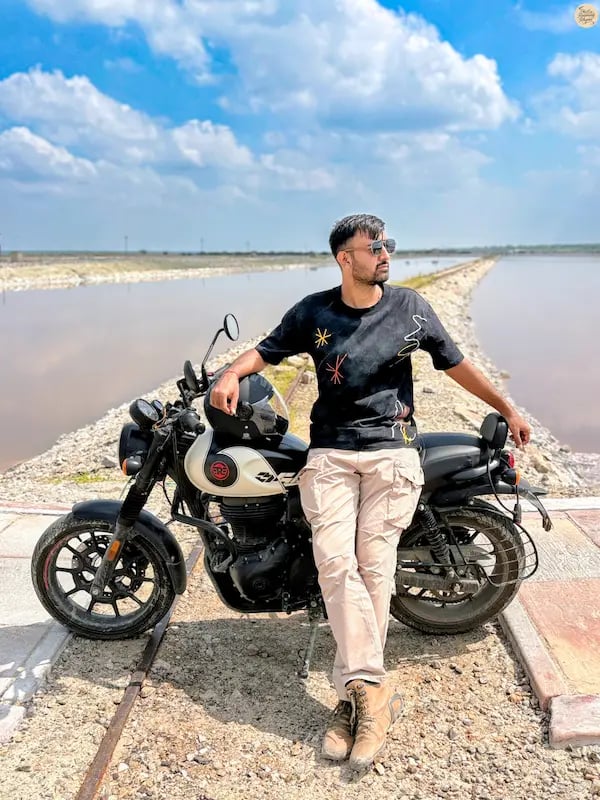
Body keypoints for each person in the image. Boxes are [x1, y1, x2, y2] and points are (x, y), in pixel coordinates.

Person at [210, 213, 530, 770]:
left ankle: (351, 696)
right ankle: (368, 692)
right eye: (373, 246)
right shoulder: (313, 312)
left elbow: (457, 364)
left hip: (394, 453)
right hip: (331, 453)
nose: (385, 253)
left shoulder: (411, 308)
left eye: (388, 244)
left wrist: (505, 406)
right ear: (345, 258)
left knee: (373, 565)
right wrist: (230, 374)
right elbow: (265, 351)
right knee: (335, 562)